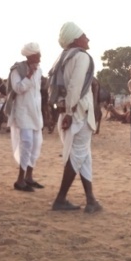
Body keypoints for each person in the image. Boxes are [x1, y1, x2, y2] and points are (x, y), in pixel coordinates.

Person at [51, 22, 102, 214]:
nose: (87, 39)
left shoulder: (63, 58)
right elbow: (75, 87)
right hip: (78, 113)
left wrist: (66, 111)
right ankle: (60, 198)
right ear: (75, 40)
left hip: (69, 111)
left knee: (84, 156)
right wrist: (71, 114)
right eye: (84, 35)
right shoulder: (81, 57)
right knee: (78, 154)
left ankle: (91, 200)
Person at [6, 42, 45, 192]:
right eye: (37, 55)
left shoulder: (39, 70)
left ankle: (29, 176)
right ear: (30, 56)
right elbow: (18, 88)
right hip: (23, 112)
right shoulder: (17, 70)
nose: (40, 58)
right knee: (26, 143)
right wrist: (29, 75)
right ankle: (20, 180)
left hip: (35, 112)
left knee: (36, 144)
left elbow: (37, 93)